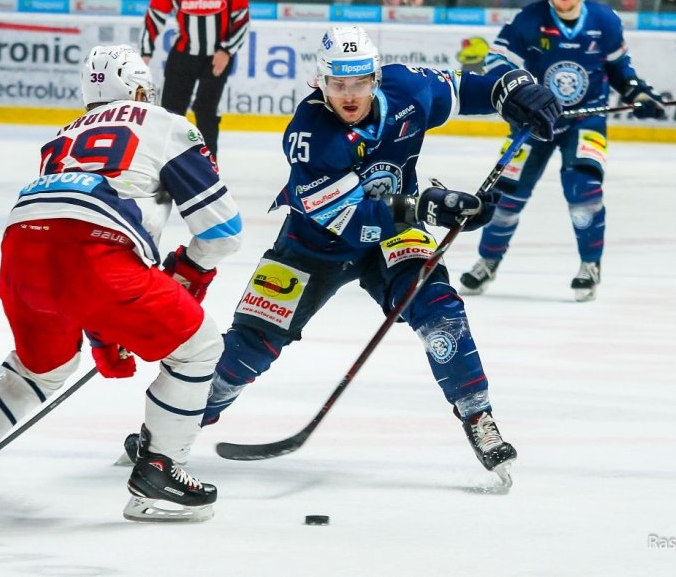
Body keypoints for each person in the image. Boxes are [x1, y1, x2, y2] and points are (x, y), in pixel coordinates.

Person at [164, 25, 561, 480]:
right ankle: (172, 427)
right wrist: (426, 207)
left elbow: (476, 88)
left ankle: (478, 415)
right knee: (249, 348)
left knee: (440, 313)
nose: (349, 95)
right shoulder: (310, 134)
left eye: (359, 83)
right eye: (338, 84)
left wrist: (516, 90)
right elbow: (349, 219)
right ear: (320, 82)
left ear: (375, 77)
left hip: (396, 236)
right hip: (313, 244)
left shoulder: (410, 89)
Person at [0, 45, 243, 523]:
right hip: (95, 255)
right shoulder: (165, 124)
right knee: (199, 348)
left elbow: (69, 256)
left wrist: (106, 332)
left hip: (21, 254)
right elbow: (222, 232)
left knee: (40, 365)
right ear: (139, 91)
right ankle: (161, 471)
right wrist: (190, 271)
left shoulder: (63, 135)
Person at [460, 0, 667, 302]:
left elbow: (621, 70)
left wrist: (639, 93)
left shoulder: (605, 21)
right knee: (507, 195)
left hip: (585, 120)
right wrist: (518, 92)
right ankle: (487, 261)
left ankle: (590, 265)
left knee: (583, 191)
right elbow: (496, 62)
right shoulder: (529, 19)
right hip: (535, 119)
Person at [140, 0, 249, 161]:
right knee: (170, 112)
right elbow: (155, 14)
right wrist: (146, 51)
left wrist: (226, 50)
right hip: (183, 54)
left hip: (217, 57)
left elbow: (242, 17)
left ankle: (208, 168)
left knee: (206, 109)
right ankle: (167, 166)